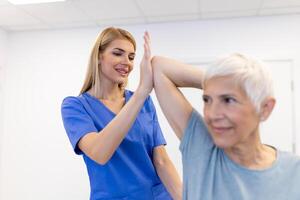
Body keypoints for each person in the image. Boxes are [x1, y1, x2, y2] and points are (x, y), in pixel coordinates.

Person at [152, 53, 300, 199]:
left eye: (228, 100)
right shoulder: (202, 148)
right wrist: (215, 82)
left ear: (264, 108)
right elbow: (160, 67)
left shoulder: (294, 172)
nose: (212, 114)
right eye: (207, 99)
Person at [61, 27, 182, 200]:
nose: (127, 62)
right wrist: (141, 92)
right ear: (99, 57)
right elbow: (99, 153)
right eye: (118, 53)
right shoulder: (75, 107)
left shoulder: (144, 102)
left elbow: (161, 161)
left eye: (131, 57)